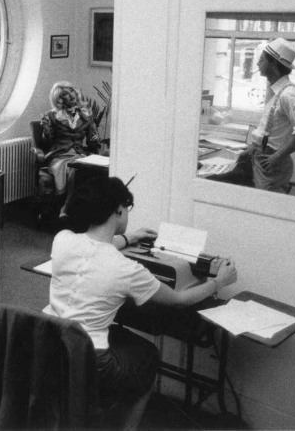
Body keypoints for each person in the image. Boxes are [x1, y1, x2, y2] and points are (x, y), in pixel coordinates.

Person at [44, 176, 237, 429]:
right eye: (127, 209)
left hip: (49, 343)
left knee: (119, 331)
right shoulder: (126, 269)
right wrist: (218, 283)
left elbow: (96, 243)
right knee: (148, 354)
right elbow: (179, 300)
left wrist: (130, 238)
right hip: (93, 362)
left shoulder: (63, 239)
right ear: (118, 209)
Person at [244, 38, 295, 193]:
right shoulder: (275, 90)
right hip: (261, 157)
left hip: (272, 162)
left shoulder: (289, 94)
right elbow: (269, 127)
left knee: (267, 207)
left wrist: (276, 157)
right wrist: (253, 147)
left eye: (261, 60)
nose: (257, 64)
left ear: (274, 64)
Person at [39, 81, 102, 216]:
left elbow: (93, 144)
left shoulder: (86, 115)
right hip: (59, 155)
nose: (71, 95)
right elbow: (46, 142)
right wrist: (46, 129)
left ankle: (71, 208)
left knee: (78, 167)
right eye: (66, 94)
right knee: (74, 168)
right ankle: (66, 207)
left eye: (72, 91)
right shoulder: (51, 116)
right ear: (60, 99)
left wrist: (94, 139)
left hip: (79, 154)